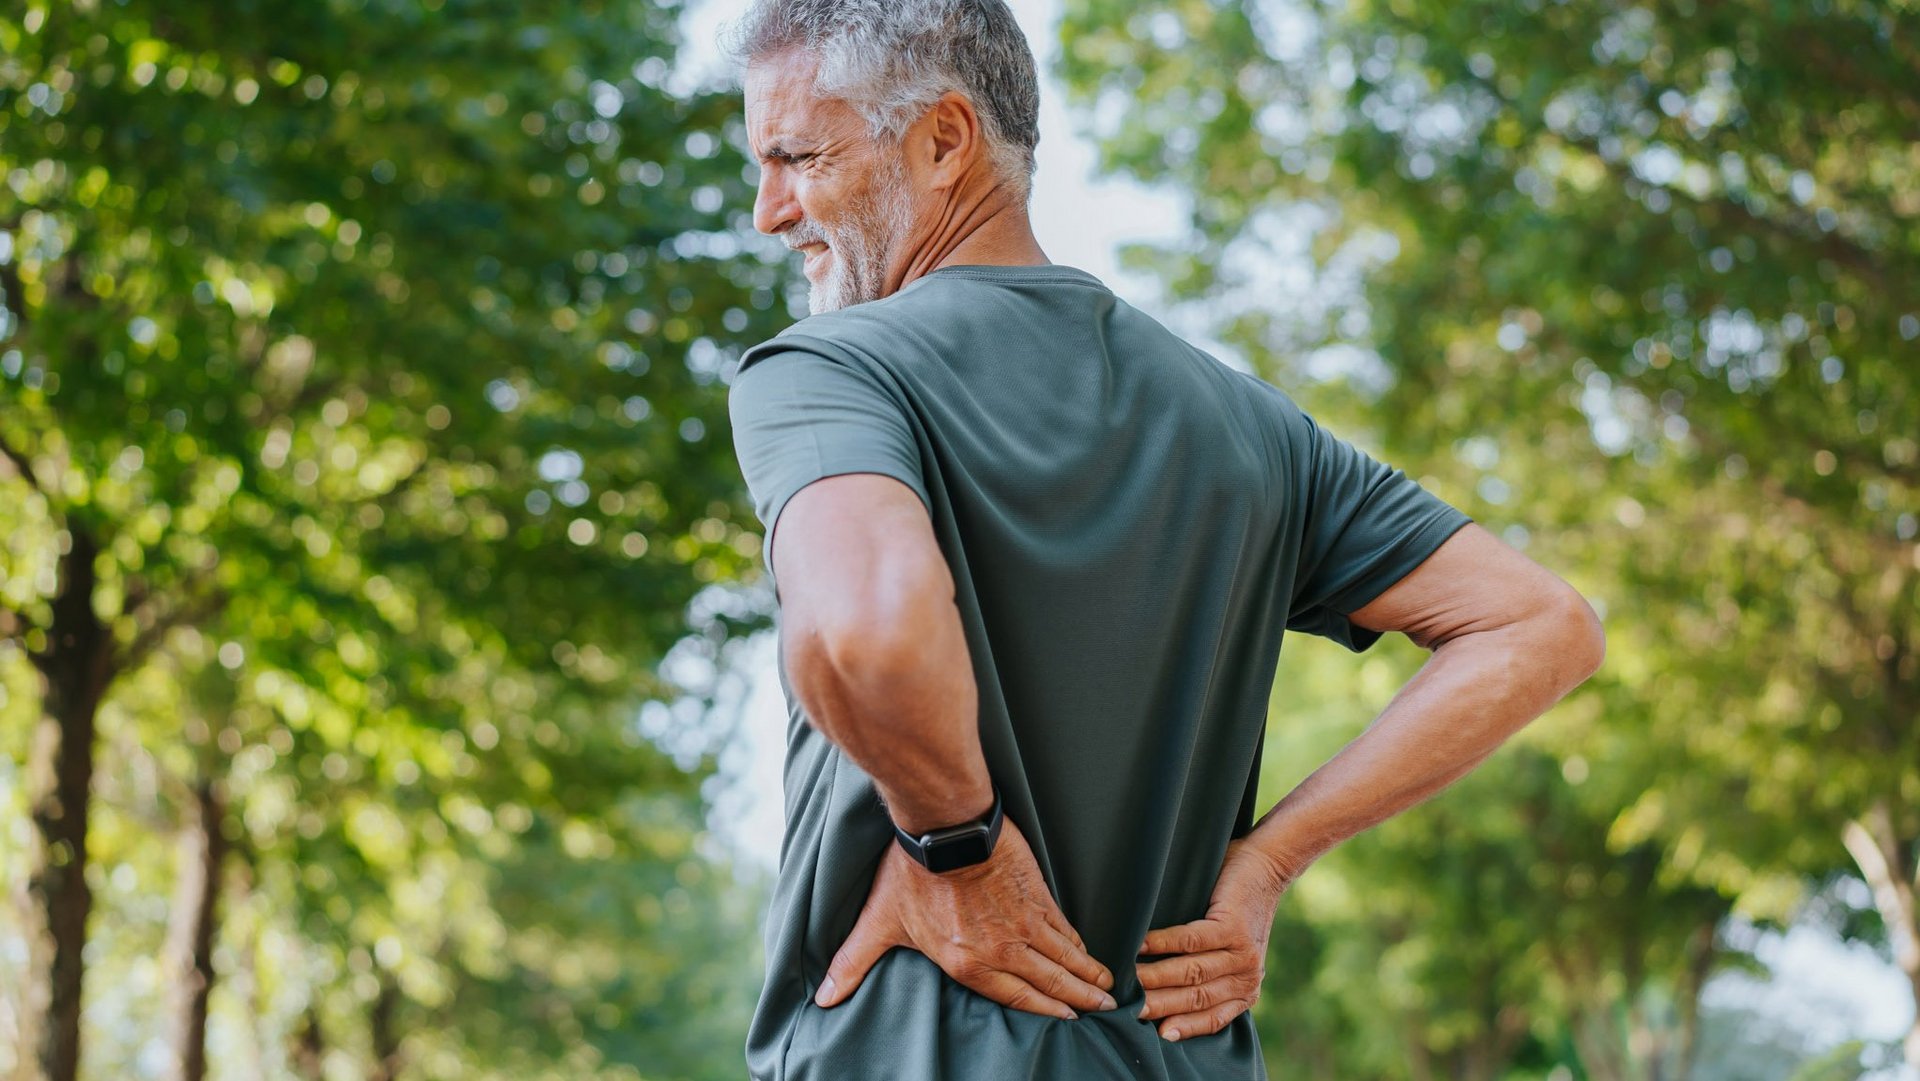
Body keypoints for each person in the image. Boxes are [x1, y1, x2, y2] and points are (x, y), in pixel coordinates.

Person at [722, 2, 1607, 1078]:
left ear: (945, 138)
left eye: (799, 157)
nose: (771, 211)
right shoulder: (1252, 427)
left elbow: (866, 629)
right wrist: (1268, 863)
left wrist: (956, 850)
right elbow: (1539, 623)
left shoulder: (830, 374)